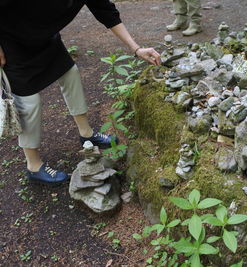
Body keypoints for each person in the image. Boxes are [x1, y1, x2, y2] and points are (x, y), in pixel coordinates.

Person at [0, 0, 161, 185]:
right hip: (12, 41)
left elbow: (105, 11)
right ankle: (33, 166)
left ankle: (86, 133)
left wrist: (137, 49)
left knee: (71, 74)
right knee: (29, 102)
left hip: (46, 38)